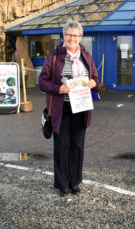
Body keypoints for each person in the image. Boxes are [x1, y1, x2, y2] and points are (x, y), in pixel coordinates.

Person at [38, 20, 99, 196]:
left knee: (77, 145)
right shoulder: (55, 56)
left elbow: (95, 78)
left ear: (80, 37)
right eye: (68, 34)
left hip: (81, 106)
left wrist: (94, 82)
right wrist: (57, 88)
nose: (72, 38)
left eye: (75, 35)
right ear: (64, 36)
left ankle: (75, 181)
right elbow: (42, 81)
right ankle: (62, 183)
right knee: (62, 145)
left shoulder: (86, 56)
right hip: (61, 107)